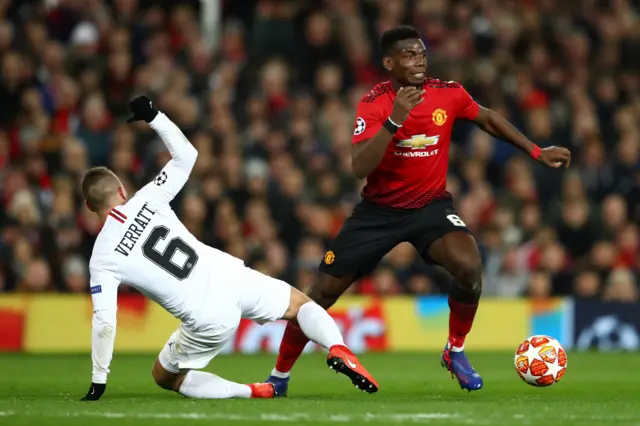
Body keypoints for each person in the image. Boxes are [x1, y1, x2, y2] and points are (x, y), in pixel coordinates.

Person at [265, 26, 571, 394]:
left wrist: (536, 151)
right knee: (320, 294)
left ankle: (455, 350)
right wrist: (395, 119)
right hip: (378, 212)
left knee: (470, 266)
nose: (419, 60)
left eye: (422, 53)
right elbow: (359, 167)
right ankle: (279, 377)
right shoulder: (374, 102)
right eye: (409, 55)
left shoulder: (448, 93)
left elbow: (487, 117)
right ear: (389, 62)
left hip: (430, 207)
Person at [79, 96, 378, 401]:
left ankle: (252, 391)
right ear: (121, 190)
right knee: (301, 306)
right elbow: (186, 155)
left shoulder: (102, 257)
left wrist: (99, 378)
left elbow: (105, 321)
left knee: (165, 375)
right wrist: (154, 116)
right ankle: (338, 347)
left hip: (206, 315)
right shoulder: (148, 197)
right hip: (229, 274)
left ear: (90, 206)